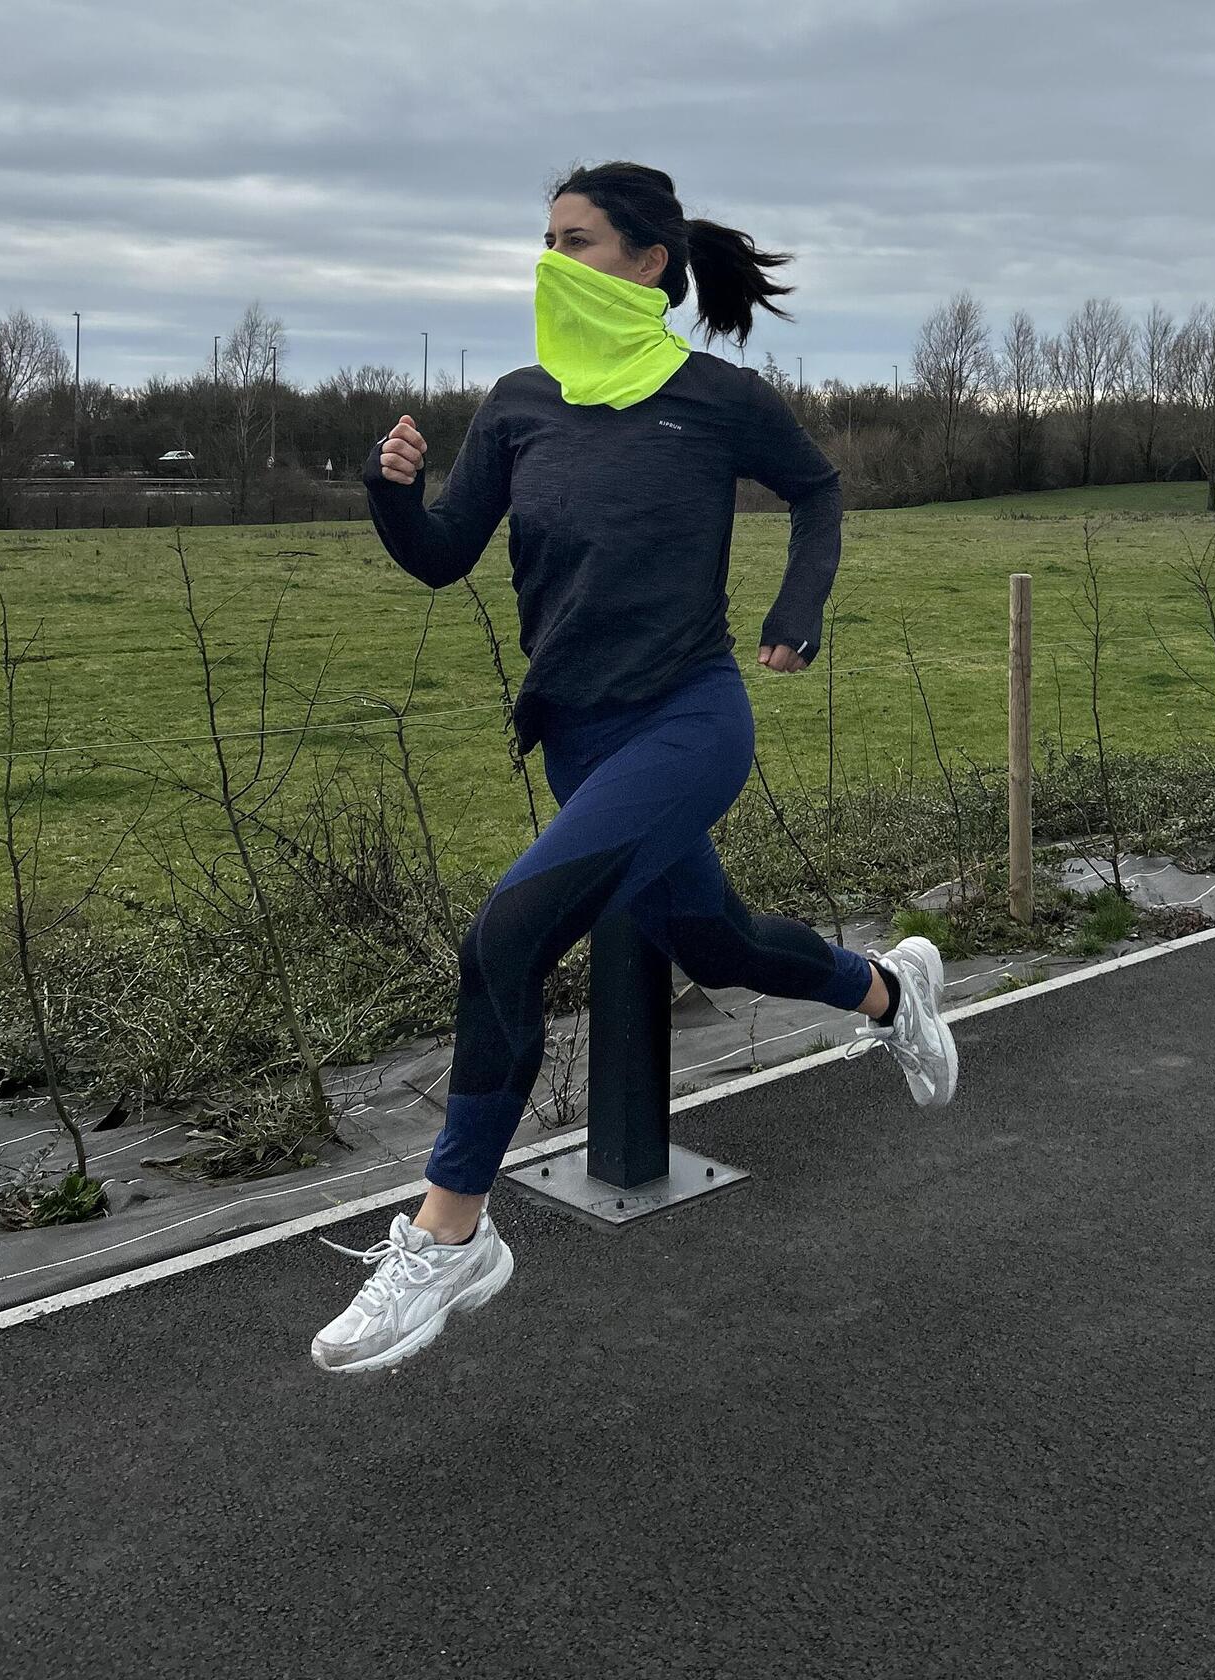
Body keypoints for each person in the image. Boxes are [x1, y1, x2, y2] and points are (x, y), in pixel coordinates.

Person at [313, 161, 959, 1374]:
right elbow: (445, 556)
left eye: (582, 242)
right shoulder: (519, 404)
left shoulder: (714, 397)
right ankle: (889, 992)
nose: (555, 263)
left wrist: (799, 603)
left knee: (505, 937)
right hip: (578, 736)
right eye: (546, 241)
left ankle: (449, 1234)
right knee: (712, 943)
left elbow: (817, 488)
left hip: (689, 720)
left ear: (652, 262)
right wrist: (387, 493)